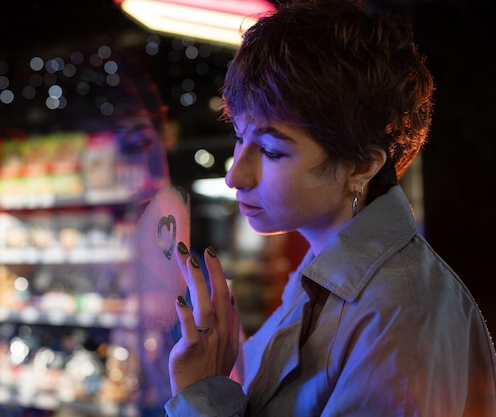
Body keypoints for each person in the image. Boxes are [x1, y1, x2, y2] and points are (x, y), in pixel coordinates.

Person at [165, 0, 496, 416]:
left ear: (360, 165)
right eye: (239, 136)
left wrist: (202, 395)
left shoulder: (397, 314)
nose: (236, 176)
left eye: (270, 151)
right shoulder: (326, 279)